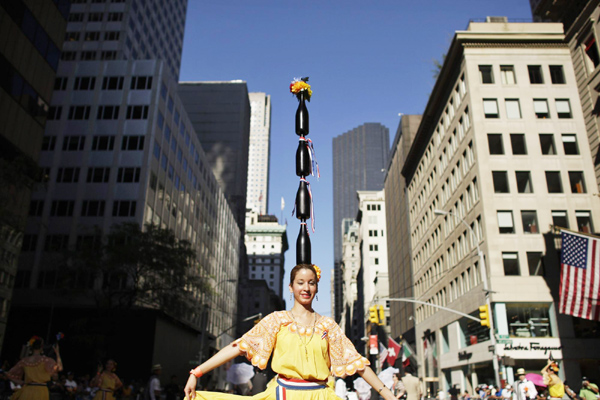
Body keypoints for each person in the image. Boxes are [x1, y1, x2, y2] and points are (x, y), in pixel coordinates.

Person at [184, 264, 397, 400]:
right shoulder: (277, 320)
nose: (306, 288)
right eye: (300, 282)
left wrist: (387, 394)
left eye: (311, 283)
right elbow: (238, 346)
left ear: (316, 287)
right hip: (282, 394)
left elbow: (357, 363)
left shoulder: (328, 326)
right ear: (291, 287)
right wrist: (197, 373)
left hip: (321, 396)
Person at [5, 336, 63, 400]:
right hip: (41, 390)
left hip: (27, 390)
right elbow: (59, 368)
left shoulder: (24, 361)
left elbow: (9, 374)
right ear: (41, 347)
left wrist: (22, 382)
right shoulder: (46, 360)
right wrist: (57, 353)